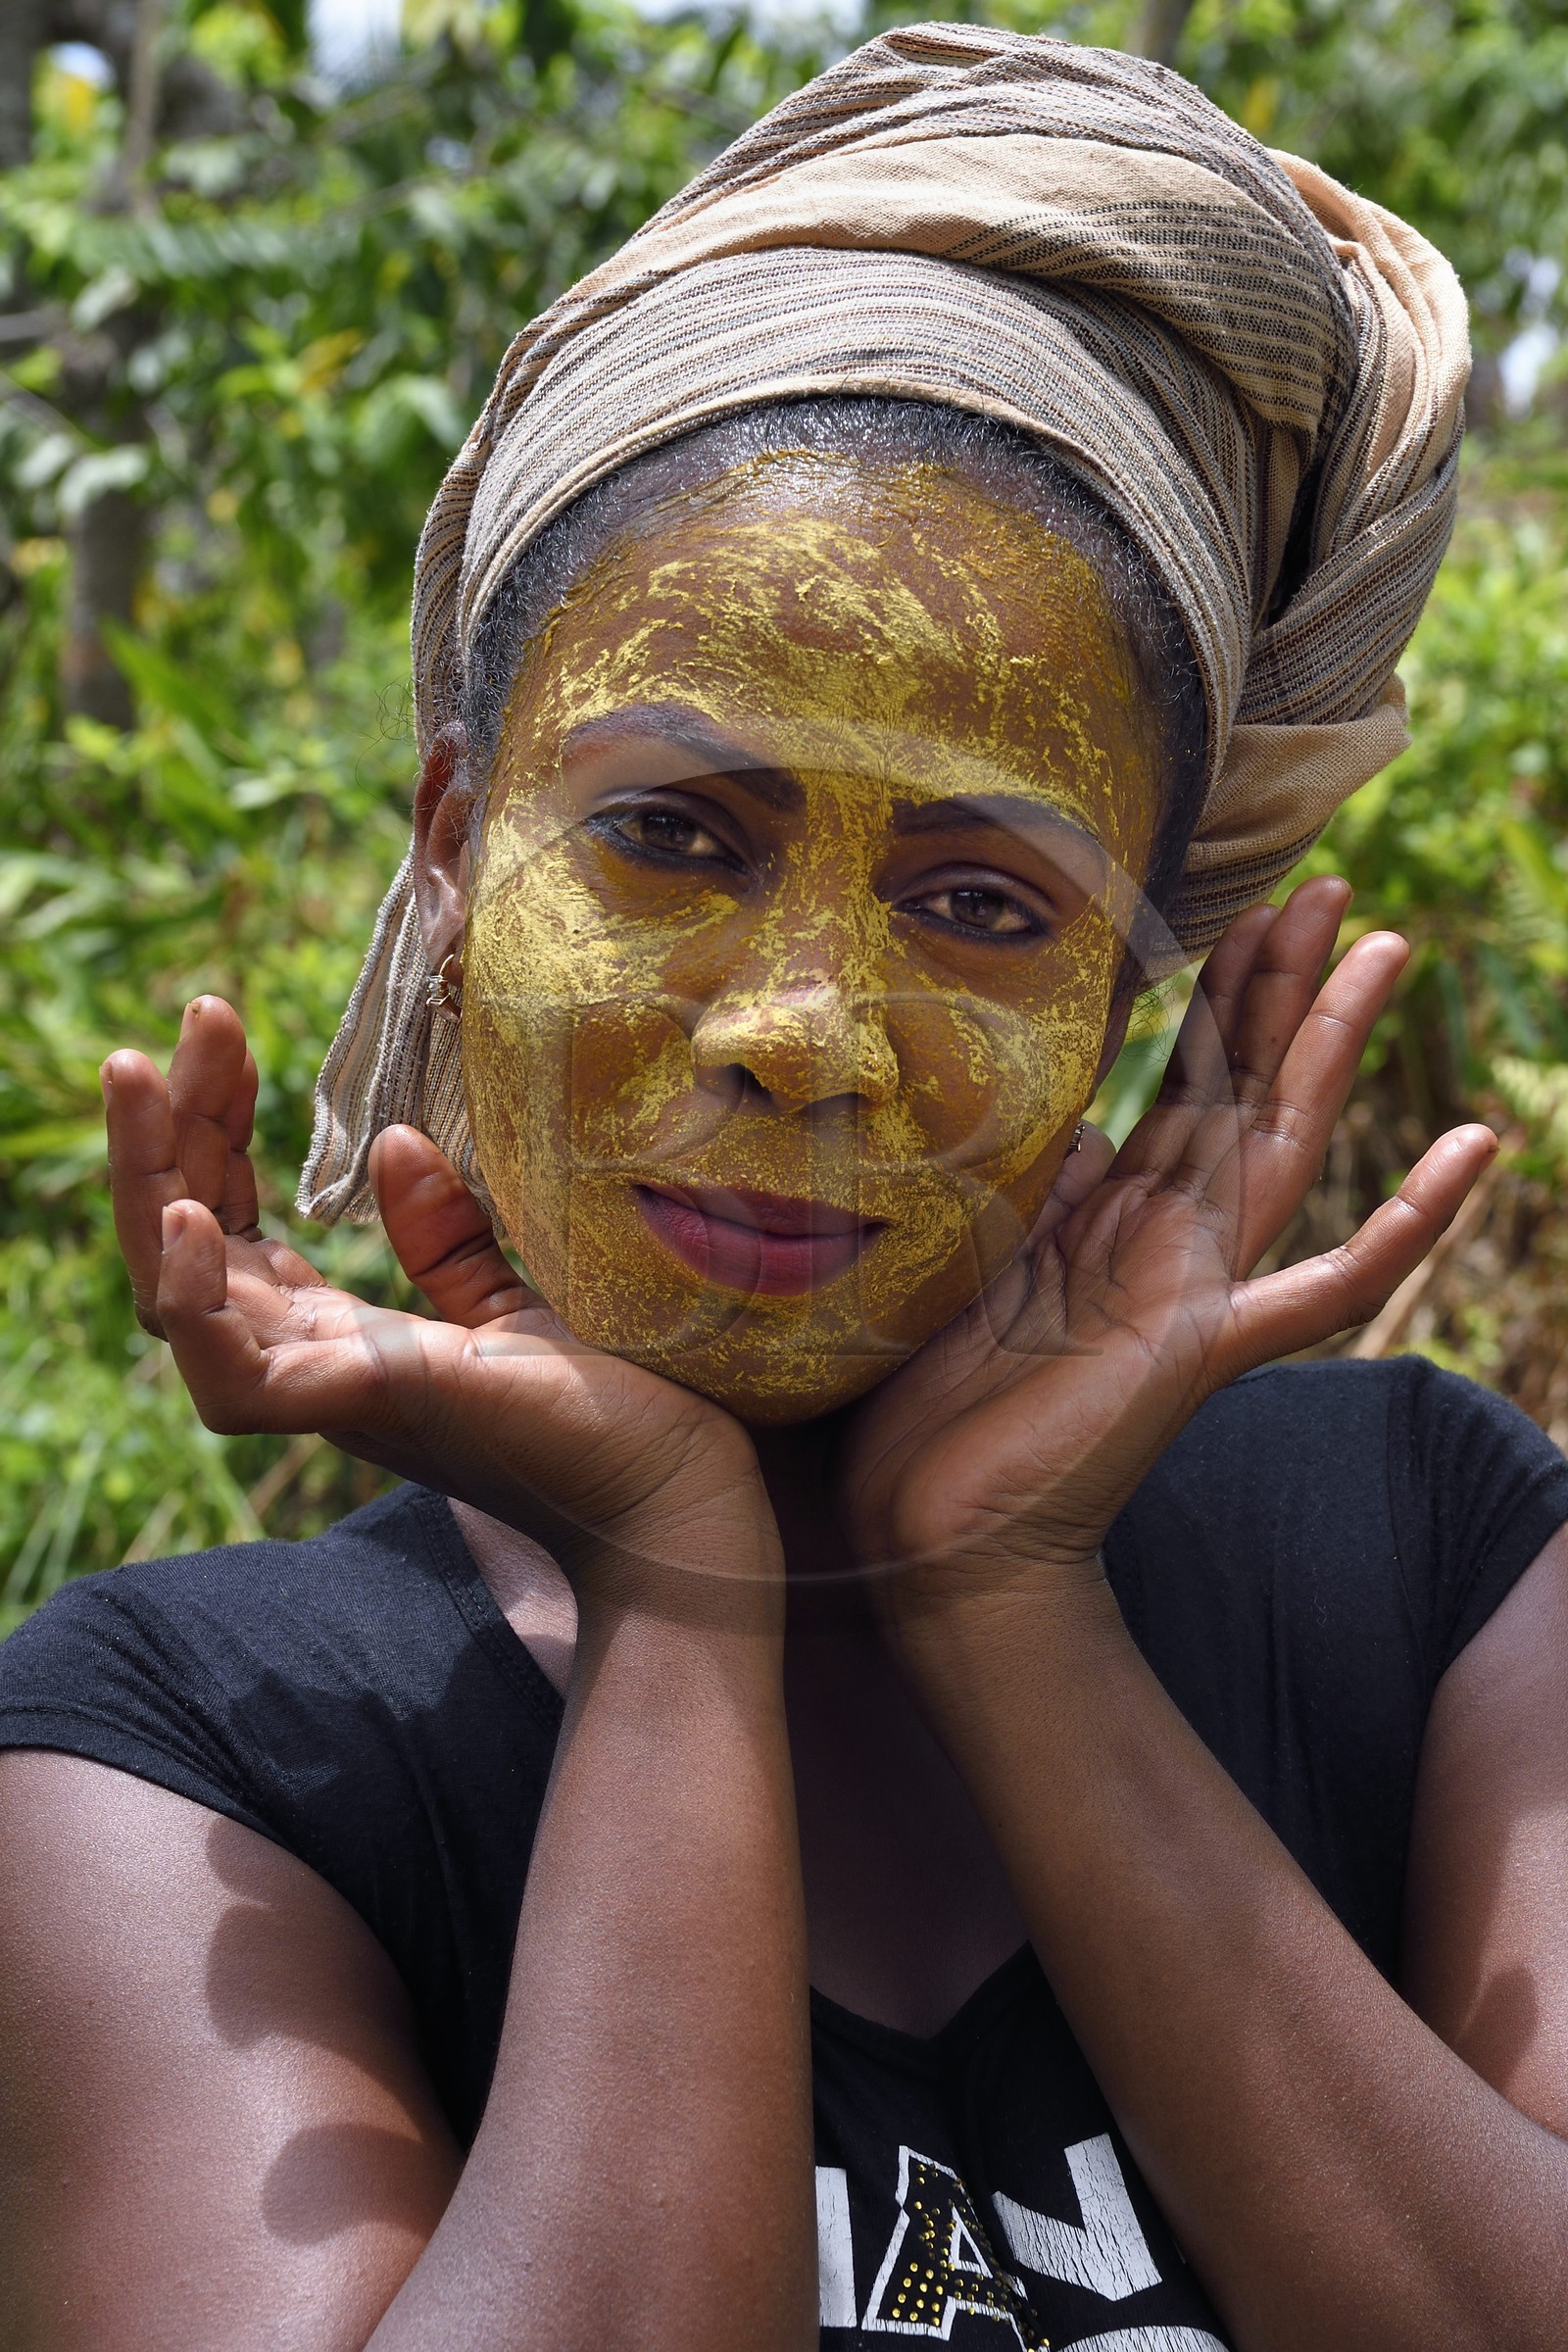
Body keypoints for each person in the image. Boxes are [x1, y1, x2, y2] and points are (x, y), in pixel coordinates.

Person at [3, 25, 1567, 2352]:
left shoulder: (1424, 1562)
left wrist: (1009, 1595)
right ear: (452, 847)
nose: (797, 1035)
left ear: (1128, 989)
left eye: (979, 901)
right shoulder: (180, 1756)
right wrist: (671, 1597)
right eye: (666, 836)